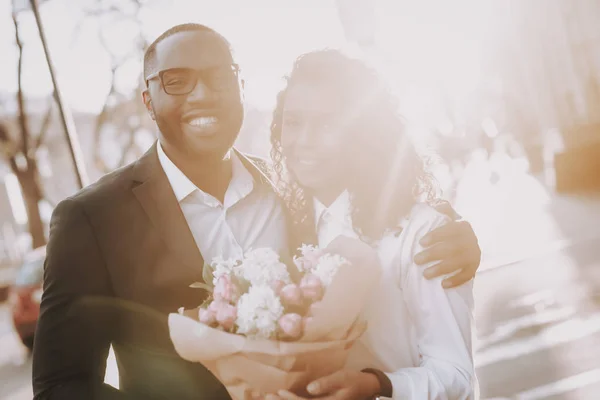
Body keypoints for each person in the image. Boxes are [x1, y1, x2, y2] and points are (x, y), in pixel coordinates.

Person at [32, 24, 480, 400]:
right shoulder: (92, 219)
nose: (203, 94)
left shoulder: (289, 192)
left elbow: (376, 221)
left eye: (219, 77)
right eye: (177, 80)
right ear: (148, 101)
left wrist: (452, 233)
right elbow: (59, 385)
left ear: (242, 87)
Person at [267, 49, 478, 399]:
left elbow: (456, 374)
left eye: (326, 124)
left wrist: (378, 384)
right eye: (293, 122)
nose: (304, 140)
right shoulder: (284, 229)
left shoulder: (421, 233)